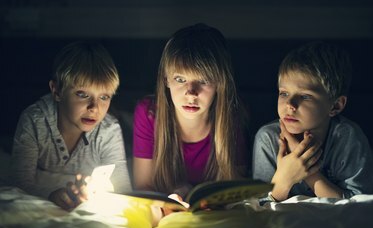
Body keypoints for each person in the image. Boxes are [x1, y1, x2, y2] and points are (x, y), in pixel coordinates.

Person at [10, 41, 132, 210]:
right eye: (82, 94)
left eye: (104, 97)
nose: (94, 108)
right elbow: (19, 184)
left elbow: (123, 190)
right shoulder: (35, 121)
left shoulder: (108, 131)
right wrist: (51, 195)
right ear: (57, 91)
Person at [132, 23, 248, 198]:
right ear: (166, 79)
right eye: (180, 79)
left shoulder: (231, 117)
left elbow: (236, 190)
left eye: (203, 81)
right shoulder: (149, 113)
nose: (191, 94)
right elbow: (143, 187)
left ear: (219, 83)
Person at [252, 41, 373, 202]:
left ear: (335, 106)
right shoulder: (268, 138)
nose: (290, 105)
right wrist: (285, 179)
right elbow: (258, 208)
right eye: (284, 93)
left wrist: (309, 172)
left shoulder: (348, 137)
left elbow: (358, 206)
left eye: (305, 96)